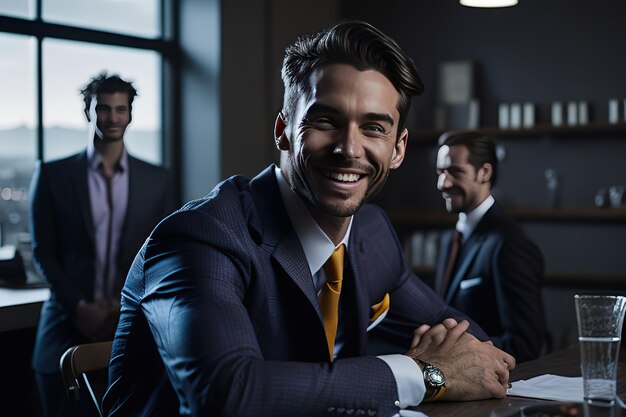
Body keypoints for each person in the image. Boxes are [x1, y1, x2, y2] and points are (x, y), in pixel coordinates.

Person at [102, 21, 515, 417]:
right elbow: (228, 394)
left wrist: (462, 362)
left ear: (398, 149)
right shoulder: (200, 237)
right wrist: (423, 374)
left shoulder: (371, 230)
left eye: (373, 127)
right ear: (284, 130)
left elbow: (475, 348)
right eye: (325, 121)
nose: (350, 149)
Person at [29, 73, 176, 417]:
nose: (112, 117)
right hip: (66, 321)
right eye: (104, 109)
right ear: (89, 111)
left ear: (130, 114)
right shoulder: (52, 174)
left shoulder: (157, 179)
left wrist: (119, 307)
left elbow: (163, 250)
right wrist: (79, 307)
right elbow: (42, 251)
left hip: (132, 320)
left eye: (120, 109)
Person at [434, 130, 546, 362]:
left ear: (484, 172)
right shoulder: (448, 240)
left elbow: (524, 345)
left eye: (454, 171)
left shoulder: (510, 244)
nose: (442, 183)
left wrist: (452, 353)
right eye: (440, 172)